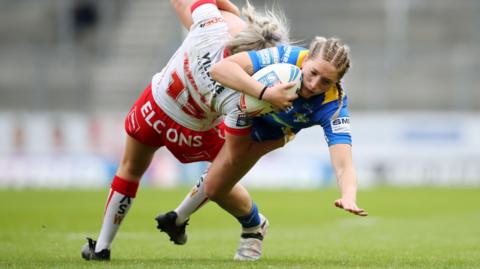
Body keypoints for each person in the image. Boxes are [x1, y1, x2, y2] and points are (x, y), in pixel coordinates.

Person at [154, 0, 368, 262]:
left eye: (326, 81)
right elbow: (221, 69)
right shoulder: (286, 56)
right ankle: (241, 225)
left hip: (273, 133)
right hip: (245, 108)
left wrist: (348, 196)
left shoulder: (333, 105)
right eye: (312, 73)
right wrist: (266, 94)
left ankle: (232, 223)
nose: (314, 84)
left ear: (337, 82)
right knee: (216, 182)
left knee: (215, 186)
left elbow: (344, 164)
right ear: (306, 58)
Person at [81, 0, 295, 261]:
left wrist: (229, 9)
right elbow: (239, 141)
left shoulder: (211, 25)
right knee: (221, 176)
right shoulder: (245, 93)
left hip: (157, 104)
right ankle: (249, 223)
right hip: (196, 127)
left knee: (130, 169)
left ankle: (102, 248)